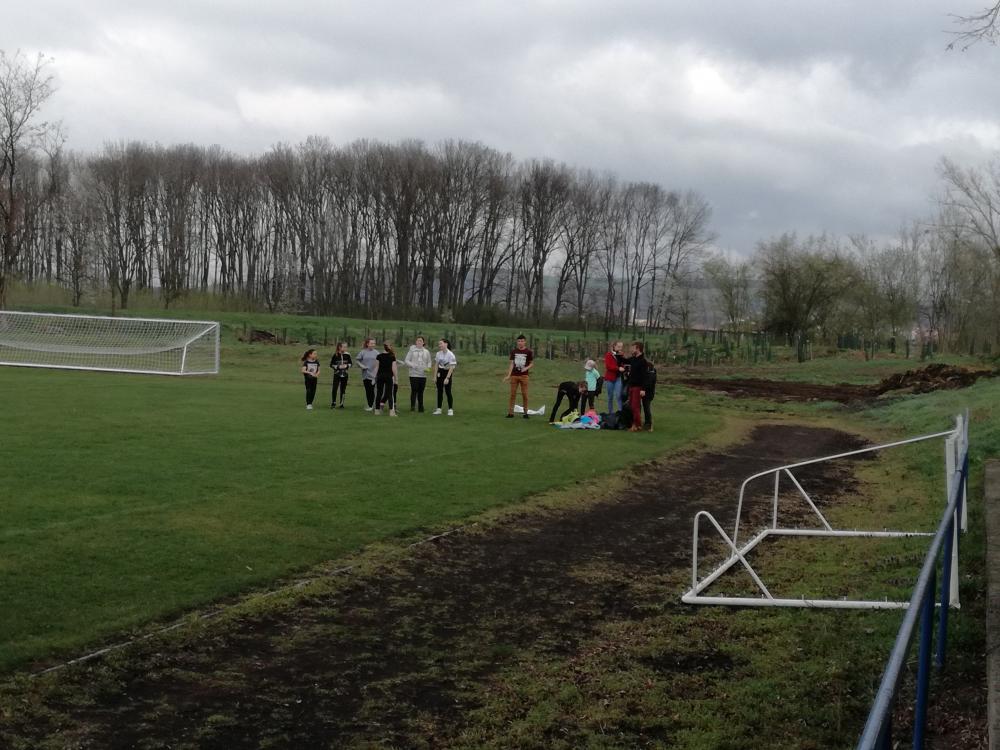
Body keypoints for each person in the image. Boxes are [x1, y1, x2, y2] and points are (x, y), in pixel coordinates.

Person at [503, 334, 533, 419]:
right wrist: (508, 375)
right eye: (519, 341)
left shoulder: (528, 352)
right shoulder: (514, 351)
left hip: (524, 376)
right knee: (512, 394)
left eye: (522, 341)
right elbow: (512, 364)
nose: (520, 343)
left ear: (525, 342)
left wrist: (526, 368)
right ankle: (510, 413)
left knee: (525, 394)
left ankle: (525, 413)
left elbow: (531, 363)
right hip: (514, 376)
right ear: (517, 342)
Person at [404, 336, 432, 412]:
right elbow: (406, 360)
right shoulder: (412, 351)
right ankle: (412, 407)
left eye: (421, 341)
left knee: (421, 391)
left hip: (423, 375)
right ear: (416, 342)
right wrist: (413, 365)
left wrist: (428, 368)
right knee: (414, 390)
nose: (419, 342)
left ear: (423, 342)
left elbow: (429, 361)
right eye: (418, 341)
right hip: (413, 374)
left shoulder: (426, 351)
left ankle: (421, 407)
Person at [625, 341, 649, 432]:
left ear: (638, 349)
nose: (631, 349)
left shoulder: (643, 362)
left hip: (638, 387)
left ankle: (636, 425)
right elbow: (625, 361)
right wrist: (617, 354)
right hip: (631, 386)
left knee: (635, 407)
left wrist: (643, 389)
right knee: (632, 406)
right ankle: (637, 424)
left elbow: (645, 376)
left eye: (633, 348)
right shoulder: (633, 359)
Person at [373, 342, 398, 416]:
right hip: (389, 376)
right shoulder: (392, 356)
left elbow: (376, 368)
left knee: (379, 393)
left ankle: (377, 411)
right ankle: (391, 412)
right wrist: (396, 378)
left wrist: (374, 377)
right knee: (390, 394)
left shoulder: (379, 356)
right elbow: (394, 368)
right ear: (389, 347)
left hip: (380, 376)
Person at [433, 339, 457, 415]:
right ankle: (439, 409)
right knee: (439, 391)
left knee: (448, 391)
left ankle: (450, 409)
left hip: (447, 373)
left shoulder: (451, 354)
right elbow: (436, 365)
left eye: (441, 343)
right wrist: (435, 376)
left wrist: (447, 378)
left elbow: (452, 367)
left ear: (446, 344)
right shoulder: (438, 354)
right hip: (440, 372)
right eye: (439, 344)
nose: (439, 345)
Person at [355, 338, 378, 411]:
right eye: (371, 343)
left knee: (374, 390)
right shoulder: (363, 352)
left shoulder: (377, 353)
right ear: (367, 344)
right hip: (366, 375)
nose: (373, 345)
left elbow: (380, 362)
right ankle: (371, 405)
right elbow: (357, 361)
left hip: (375, 375)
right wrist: (362, 366)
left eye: (374, 343)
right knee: (368, 390)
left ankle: (374, 405)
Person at [603, 341, 625, 414]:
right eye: (618, 346)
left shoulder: (621, 355)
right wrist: (618, 368)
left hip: (618, 378)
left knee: (619, 395)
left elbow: (622, 364)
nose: (620, 348)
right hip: (610, 379)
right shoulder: (608, 355)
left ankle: (621, 413)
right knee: (610, 397)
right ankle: (611, 413)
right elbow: (608, 366)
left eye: (621, 347)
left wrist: (624, 368)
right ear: (614, 346)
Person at [329, 342, 352, 409]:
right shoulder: (335, 355)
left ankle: (341, 403)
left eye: (346, 347)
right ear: (339, 347)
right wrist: (338, 367)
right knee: (335, 388)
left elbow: (350, 363)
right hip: (337, 374)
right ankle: (333, 402)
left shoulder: (347, 355)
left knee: (343, 389)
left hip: (345, 374)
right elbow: (331, 364)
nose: (345, 348)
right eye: (344, 347)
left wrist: (347, 366)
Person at [642, 358, 657, 432]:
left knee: (647, 408)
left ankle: (650, 424)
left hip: (648, 394)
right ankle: (647, 423)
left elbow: (648, 384)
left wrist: (643, 389)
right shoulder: (652, 373)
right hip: (648, 393)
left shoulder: (651, 375)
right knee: (645, 408)